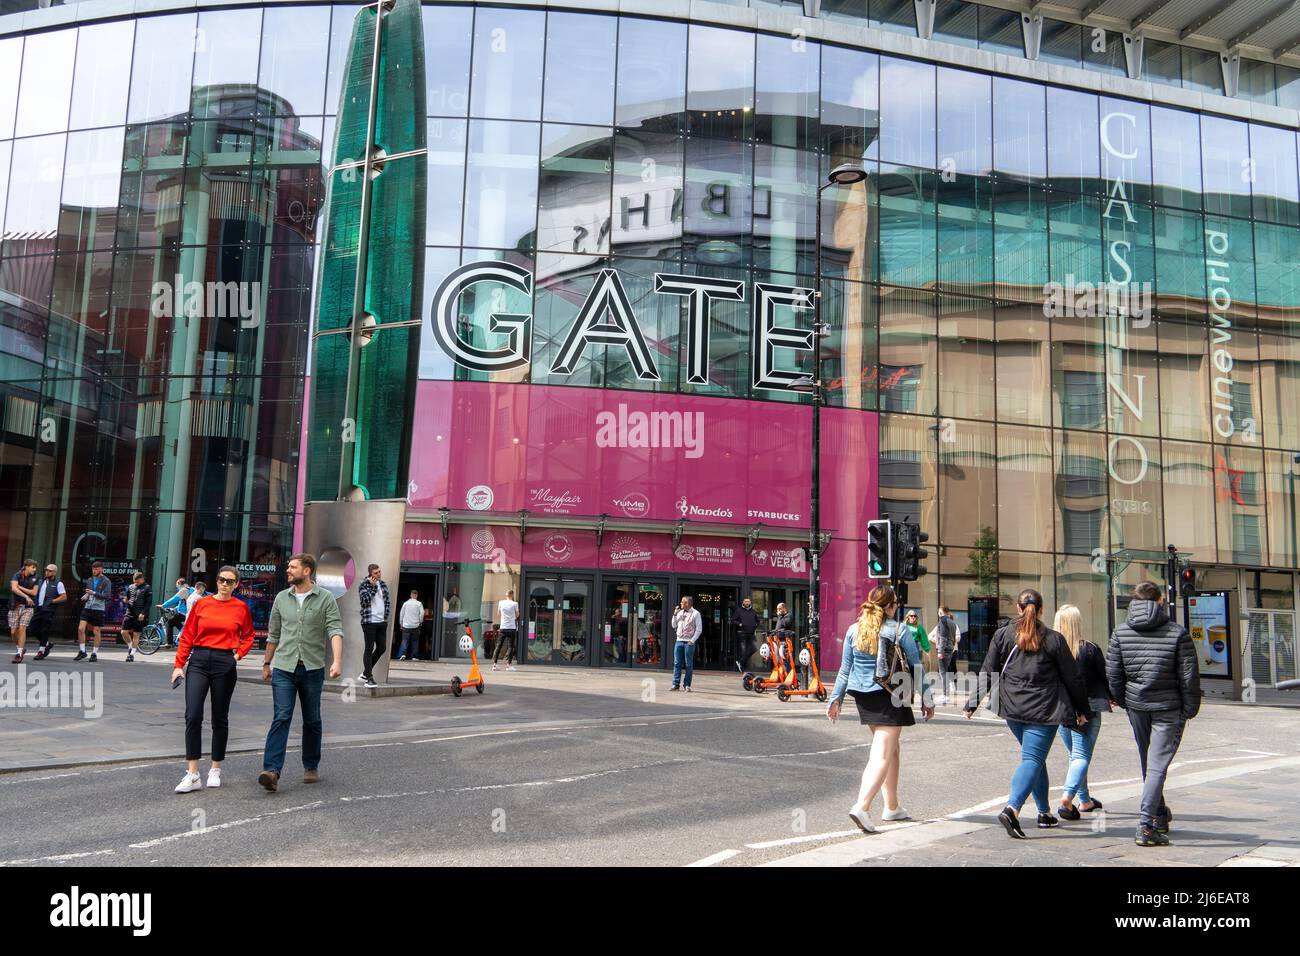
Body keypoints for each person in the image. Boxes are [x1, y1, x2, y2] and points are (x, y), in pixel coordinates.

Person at [964, 589, 1090, 840]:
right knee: (1033, 758)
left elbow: (988, 670)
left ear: (1019, 609)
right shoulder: (1054, 639)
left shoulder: (1002, 635)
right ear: (1041, 610)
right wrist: (1082, 710)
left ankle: (1044, 812)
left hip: (1012, 709)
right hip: (1044, 710)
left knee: (1034, 758)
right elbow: (1073, 678)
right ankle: (1012, 808)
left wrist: (972, 703)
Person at [827, 584, 932, 833]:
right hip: (891, 695)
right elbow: (916, 668)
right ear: (890, 606)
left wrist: (836, 699)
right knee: (882, 754)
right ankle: (862, 806)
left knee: (892, 749)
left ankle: (892, 807)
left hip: (864, 696)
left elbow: (844, 670)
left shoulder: (854, 630)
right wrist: (928, 699)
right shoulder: (898, 629)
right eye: (895, 604)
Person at [1107, 580, 1201, 847]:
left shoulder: (1121, 632)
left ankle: (1159, 814)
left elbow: (1114, 674)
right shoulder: (1177, 633)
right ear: (1160, 601)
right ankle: (1146, 825)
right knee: (1158, 764)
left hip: (1137, 705)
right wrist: (1189, 708)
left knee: (1149, 761)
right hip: (1167, 706)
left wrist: (1126, 700)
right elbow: (1188, 676)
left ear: (1134, 602)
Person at [259, 553, 344, 793]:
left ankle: (311, 765)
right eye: (288, 566)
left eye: (293, 567)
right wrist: (266, 663)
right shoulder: (281, 598)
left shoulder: (325, 598)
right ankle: (272, 771)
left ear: (307, 571)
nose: (288, 570)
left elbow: (335, 629)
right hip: (284, 668)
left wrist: (337, 661)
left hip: (312, 668)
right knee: (282, 716)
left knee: (312, 719)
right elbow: (273, 633)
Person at [169, 566, 255, 793]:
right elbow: (187, 635)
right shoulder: (202, 604)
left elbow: (248, 636)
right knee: (193, 714)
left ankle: (215, 768)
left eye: (230, 581)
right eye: (221, 580)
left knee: (219, 717)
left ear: (236, 584)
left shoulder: (241, 608)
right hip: (198, 660)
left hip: (224, 662)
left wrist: (236, 656)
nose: (225, 584)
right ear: (216, 581)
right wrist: (179, 665)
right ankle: (193, 773)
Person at [1053, 604, 1110, 820]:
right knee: (1080, 755)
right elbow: (1105, 678)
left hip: (1061, 711)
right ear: (1078, 623)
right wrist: (1113, 697)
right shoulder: (1089, 649)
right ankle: (1068, 797)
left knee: (1074, 756)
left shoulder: (1053, 650)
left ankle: (1084, 800)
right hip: (1088, 709)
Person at [357, 563, 390, 688]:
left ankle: (365, 673)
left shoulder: (384, 584)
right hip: (369, 622)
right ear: (370, 573)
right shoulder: (363, 584)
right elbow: (365, 601)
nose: (379, 574)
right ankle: (369, 678)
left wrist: (385, 617)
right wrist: (373, 587)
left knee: (382, 648)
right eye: (376, 573)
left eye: (379, 572)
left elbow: (387, 602)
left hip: (382, 622)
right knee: (369, 648)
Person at [74, 561, 112, 662]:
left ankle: (94, 653)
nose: (94, 571)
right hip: (88, 607)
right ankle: (82, 651)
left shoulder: (106, 581)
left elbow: (107, 596)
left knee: (96, 631)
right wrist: (85, 596)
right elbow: (88, 592)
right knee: (81, 629)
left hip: (98, 608)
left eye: (96, 569)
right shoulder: (90, 580)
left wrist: (93, 593)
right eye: (93, 569)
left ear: (101, 569)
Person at [30, 564, 67, 660]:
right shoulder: (41, 581)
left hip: (49, 610)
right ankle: (47, 644)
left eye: (49, 571)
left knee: (44, 630)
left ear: (54, 572)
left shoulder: (58, 583)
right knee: (33, 628)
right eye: (46, 570)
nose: (47, 572)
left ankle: (41, 651)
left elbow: (64, 597)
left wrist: (52, 601)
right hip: (38, 608)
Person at [670, 595, 703, 692]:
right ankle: (675, 684)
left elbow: (699, 629)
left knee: (688, 664)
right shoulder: (679, 612)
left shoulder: (696, 614)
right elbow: (673, 625)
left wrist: (692, 641)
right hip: (679, 640)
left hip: (689, 642)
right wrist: (675, 614)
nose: (680, 604)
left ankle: (687, 685)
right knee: (677, 663)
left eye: (682, 602)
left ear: (687, 603)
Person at [8, 558, 38, 664]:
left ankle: (19, 654)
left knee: (22, 628)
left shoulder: (35, 578)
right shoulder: (17, 575)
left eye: (35, 568)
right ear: (26, 566)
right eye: (32, 567)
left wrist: (20, 587)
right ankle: (20, 648)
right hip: (15, 606)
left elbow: (34, 593)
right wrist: (26, 596)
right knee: (13, 632)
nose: (34, 569)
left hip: (28, 607)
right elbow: (14, 588)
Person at [119, 571, 152, 663]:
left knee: (136, 634)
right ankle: (131, 647)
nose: (135, 583)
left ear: (142, 579)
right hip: (129, 613)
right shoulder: (130, 587)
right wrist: (125, 600)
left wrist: (143, 613)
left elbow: (149, 602)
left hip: (139, 614)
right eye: (134, 581)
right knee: (123, 632)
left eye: (137, 582)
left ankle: (132, 654)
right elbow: (128, 598)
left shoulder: (147, 588)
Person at [934, 606, 960, 704]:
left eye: (939, 612)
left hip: (944, 649)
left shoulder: (943, 621)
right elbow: (953, 638)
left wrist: (940, 651)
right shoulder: (952, 622)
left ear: (941, 612)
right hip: (950, 649)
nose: (938, 614)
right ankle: (945, 694)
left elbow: (943, 637)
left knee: (943, 672)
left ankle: (945, 695)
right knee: (945, 672)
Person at [160, 579, 192, 647]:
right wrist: (174, 609)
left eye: (177, 585)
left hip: (185, 613)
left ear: (179, 583)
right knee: (176, 622)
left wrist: (163, 605)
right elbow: (183, 603)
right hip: (189, 613)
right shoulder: (190, 589)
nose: (176, 587)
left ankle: (169, 643)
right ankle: (183, 637)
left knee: (169, 623)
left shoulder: (184, 590)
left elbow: (174, 599)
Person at [493, 589, 519, 671]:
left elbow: (498, 613)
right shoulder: (515, 604)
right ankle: (509, 665)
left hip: (503, 627)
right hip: (511, 627)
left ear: (506, 595)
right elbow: (517, 614)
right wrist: (512, 618)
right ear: (513, 595)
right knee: (511, 646)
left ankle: (494, 665)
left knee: (498, 646)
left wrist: (504, 618)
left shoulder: (501, 602)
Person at [733, 597, 759, 673]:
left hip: (751, 633)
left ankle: (740, 662)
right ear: (743, 602)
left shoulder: (753, 611)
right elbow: (733, 620)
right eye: (746, 601)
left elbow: (757, 621)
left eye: (748, 601)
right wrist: (740, 624)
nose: (747, 603)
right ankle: (742, 667)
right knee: (743, 651)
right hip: (742, 633)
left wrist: (755, 626)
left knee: (754, 648)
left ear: (750, 603)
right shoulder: (739, 610)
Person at [397, 589, 423, 662]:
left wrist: (401, 623)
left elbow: (402, 613)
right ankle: (414, 656)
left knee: (405, 640)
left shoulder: (405, 603)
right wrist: (420, 622)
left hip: (406, 625)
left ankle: (403, 654)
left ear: (411, 595)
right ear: (416, 596)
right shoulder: (419, 604)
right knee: (415, 641)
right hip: (415, 625)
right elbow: (422, 614)